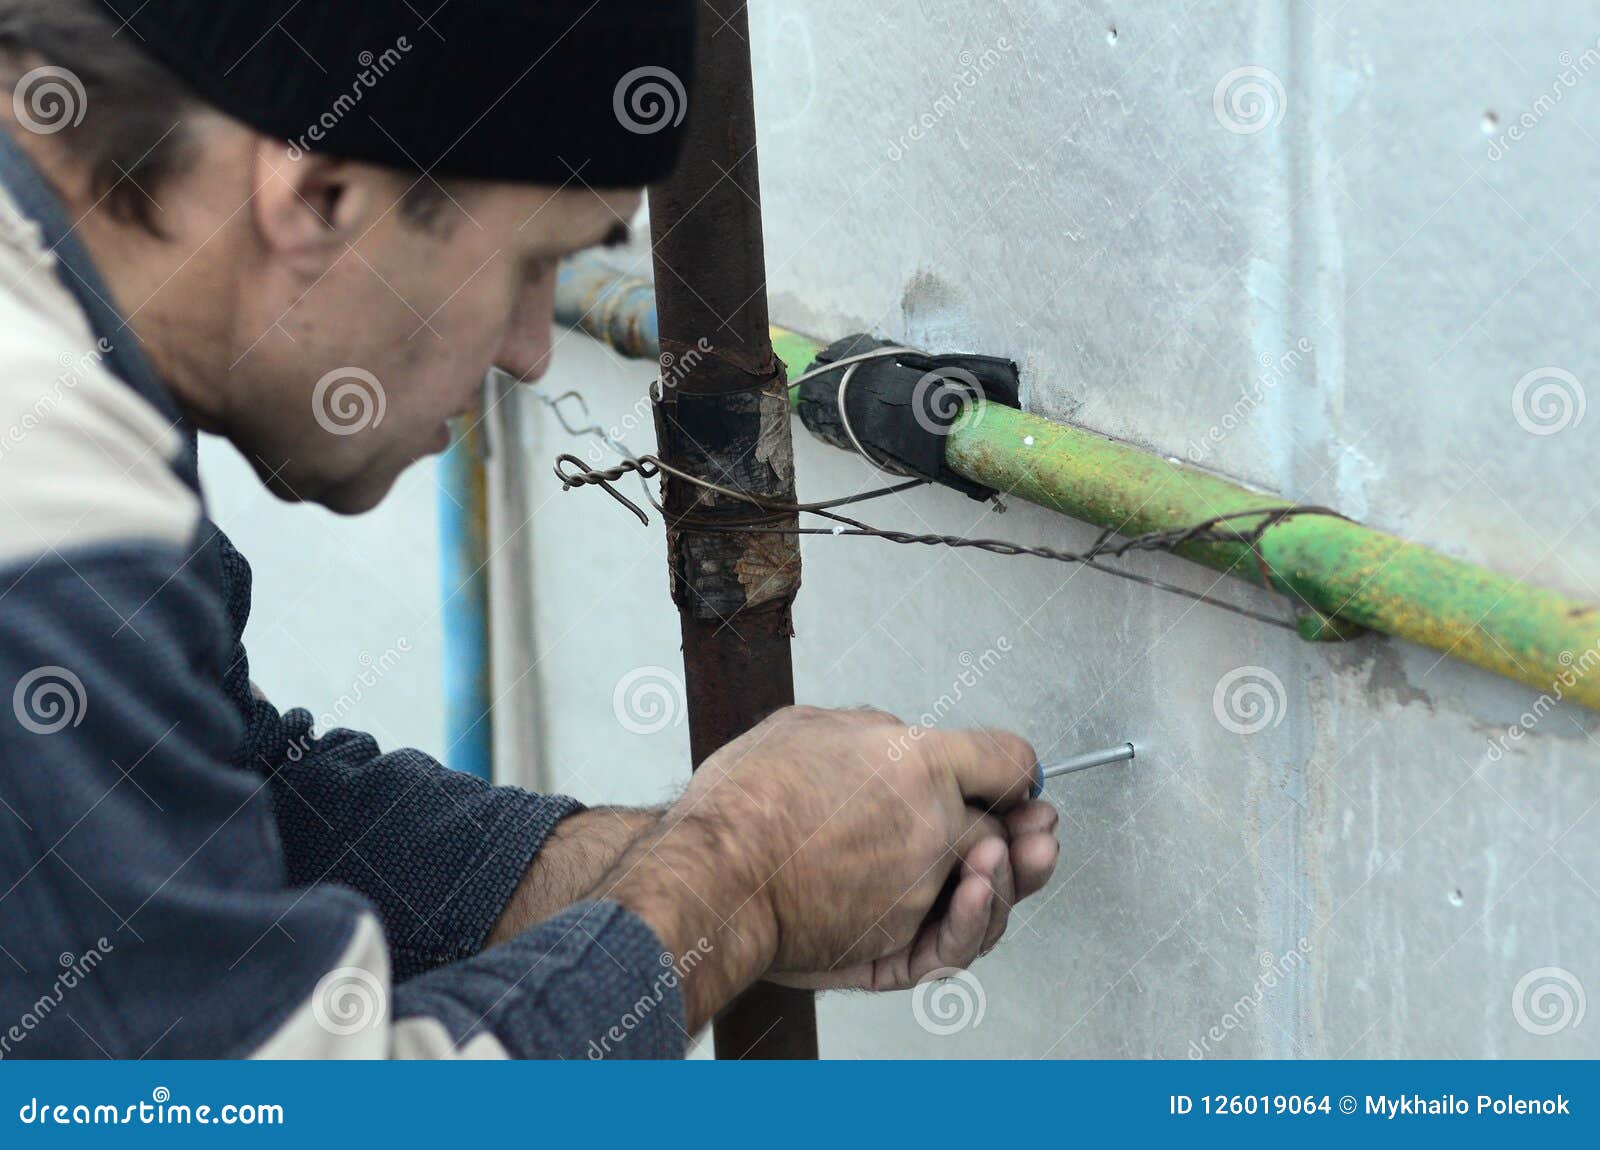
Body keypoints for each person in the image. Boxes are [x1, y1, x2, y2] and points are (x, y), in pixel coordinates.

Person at [0, 0, 1059, 1059]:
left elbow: (244, 807)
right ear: (318, 193)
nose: (530, 352)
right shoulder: (48, 497)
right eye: (526, 262)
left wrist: (730, 870)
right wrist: (739, 875)